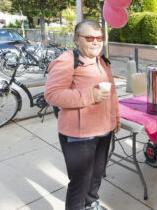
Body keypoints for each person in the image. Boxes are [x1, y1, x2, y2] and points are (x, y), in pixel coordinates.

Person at [45, 20, 121, 210]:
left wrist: (116, 118)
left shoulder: (103, 60)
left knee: (97, 174)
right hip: (78, 135)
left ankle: (91, 203)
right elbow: (52, 95)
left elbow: (112, 94)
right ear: (77, 39)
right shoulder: (67, 61)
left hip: (104, 130)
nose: (95, 42)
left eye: (99, 38)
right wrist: (90, 96)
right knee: (80, 181)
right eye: (89, 38)